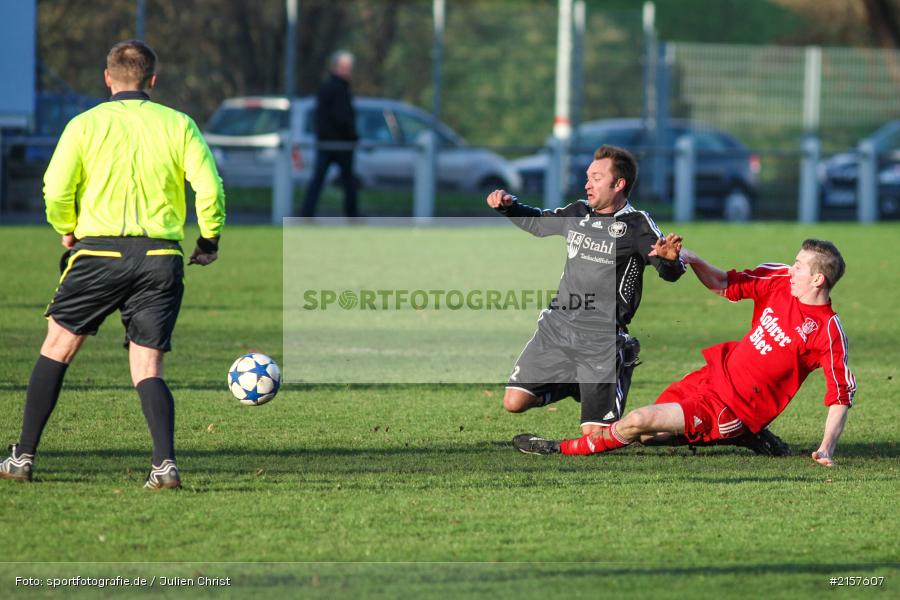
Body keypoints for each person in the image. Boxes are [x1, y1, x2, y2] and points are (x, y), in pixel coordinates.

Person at [0, 40, 225, 490]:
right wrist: (208, 238)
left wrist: (66, 226)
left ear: (108, 78)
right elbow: (209, 189)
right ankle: (164, 466)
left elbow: (56, 186)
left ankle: (22, 457)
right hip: (160, 256)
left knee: (58, 347)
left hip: (97, 252)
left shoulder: (84, 124)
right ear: (152, 81)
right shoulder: (179, 124)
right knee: (148, 368)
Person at [514, 239, 856, 468]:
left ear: (818, 280)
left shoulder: (827, 330)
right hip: (709, 377)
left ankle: (560, 448)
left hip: (731, 406)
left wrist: (826, 447)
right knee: (647, 437)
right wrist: (689, 258)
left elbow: (840, 396)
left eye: (799, 266)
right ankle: (741, 437)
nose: (790, 269)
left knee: (638, 421)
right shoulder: (779, 279)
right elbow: (724, 284)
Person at [487, 145, 686, 437]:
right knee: (514, 402)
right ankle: (573, 383)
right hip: (558, 326)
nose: (587, 184)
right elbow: (538, 222)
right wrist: (508, 207)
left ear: (619, 184)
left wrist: (671, 262)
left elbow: (668, 272)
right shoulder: (577, 212)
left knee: (595, 437)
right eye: (587, 177)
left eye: (596, 177)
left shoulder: (638, 226)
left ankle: (620, 363)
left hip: (600, 339)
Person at [301, 50, 359, 218]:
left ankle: (308, 212)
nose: (349, 71)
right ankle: (351, 215)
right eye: (346, 67)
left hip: (329, 142)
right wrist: (352, 136)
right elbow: (341, 117)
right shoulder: (337, 88)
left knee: (325, 180)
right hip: (337, 143)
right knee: (346, 182)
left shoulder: (331, 87)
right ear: (337, 67)